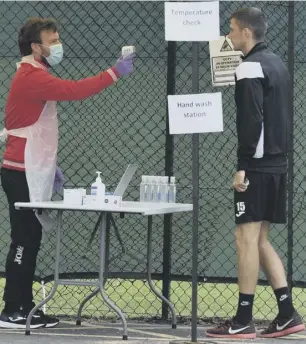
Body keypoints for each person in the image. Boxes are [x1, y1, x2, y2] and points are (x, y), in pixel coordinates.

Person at [0, 17, 135, 329]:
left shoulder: (37, 73)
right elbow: (73, 90)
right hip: (21, 170)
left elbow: (34, 126)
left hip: (31, 167)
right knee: (23, 240)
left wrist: (49, 164)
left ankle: (25, 306)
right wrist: (113, 73)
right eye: (53, 39)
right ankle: (11, 310)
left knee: (30, 240)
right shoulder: (32, 75)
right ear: (36, 47)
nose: (58, 44)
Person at [206, 7, 304, 339]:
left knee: (244, 239)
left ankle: (243, 319)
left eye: (231, 29)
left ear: (247, 32)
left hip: (258, 166)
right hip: (276, 164)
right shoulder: (276, 63)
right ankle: (288, 313)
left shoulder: (249, 67)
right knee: (260, 240)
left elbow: (251, 122)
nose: (228, 35)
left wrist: (242, 166)